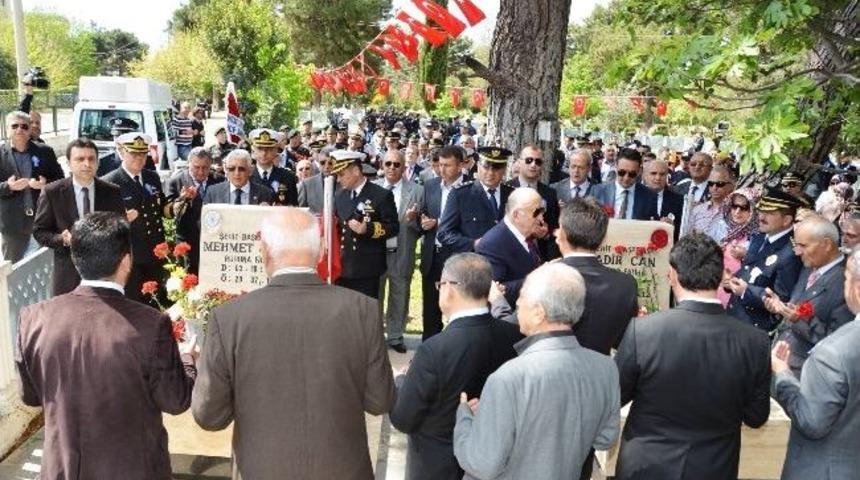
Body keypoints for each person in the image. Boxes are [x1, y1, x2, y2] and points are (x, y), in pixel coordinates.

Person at [192, 208, 394, 479]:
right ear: (321, 250)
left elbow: (209, 415)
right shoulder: (363, 310)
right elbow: (380, 400)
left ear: (264, 251)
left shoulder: (229, 318)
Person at [16, 212, 196, 479]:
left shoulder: (33, 318)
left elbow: (30, 396)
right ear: (126, 260)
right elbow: (176, 400)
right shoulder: (150, 324)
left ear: (75, 258)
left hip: (64, 470)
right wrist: (188, 360)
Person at [615, 233, 771, 480]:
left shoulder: (643, 331)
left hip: (647, 465)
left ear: (673, 275)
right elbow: (756, 416)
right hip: (713, 467)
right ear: (721, 277)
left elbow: (614, 397)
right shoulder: (755, 342)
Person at [454, 263, 620, 480]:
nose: (517, 303)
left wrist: (465, 419)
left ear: (539, 313)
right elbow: (605, 439)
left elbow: (482, 464)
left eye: (522, 297)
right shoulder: (605, 368)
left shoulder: (508, 377)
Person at [389, 253, 521, 480]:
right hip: (493, 461)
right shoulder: (512, 335)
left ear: (449, 288)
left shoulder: (434, 350)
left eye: (439, 285)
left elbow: (403, 418)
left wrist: (399, 381)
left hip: (438, 467)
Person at [770, 246, 860, 479]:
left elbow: (811, 422)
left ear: (857, 289)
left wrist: (783, 375)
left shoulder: (833, 353)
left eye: (846, 279)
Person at [33, 138, 125, 295]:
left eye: (91, 159)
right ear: (68, 163)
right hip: (68, 275)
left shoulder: (112, 192)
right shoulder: (52, 192)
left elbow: (121, 231)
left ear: (98, 163)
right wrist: (62, 239)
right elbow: (39, 231)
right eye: (80, 159)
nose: (87, 164)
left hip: (105, 275)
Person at [764, 215, 852, 377]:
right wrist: (780, 307)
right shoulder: (809, 267)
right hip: (780, 363)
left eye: (803, 246)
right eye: (796, 245)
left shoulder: (847, 281)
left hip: (806, 374)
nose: (797, 252)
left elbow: (837, 341)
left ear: (826, 244)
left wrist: (799, 319)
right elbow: (797, 304)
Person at [100, 133, 168, 304]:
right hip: (130, 257)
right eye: (134, 154)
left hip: (155, 252)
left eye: (143, 154)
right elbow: (101, 224)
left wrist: (176, 205)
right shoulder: (109, 183)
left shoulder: (152, 177)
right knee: (133, 304)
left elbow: (161, 208)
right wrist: (121, 220)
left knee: (156, 303)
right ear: (122, 153)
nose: (139, 158)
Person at [725, 189, 804, 332]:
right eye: (761, 211)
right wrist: (731, 281)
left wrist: (746, 291)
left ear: (786, 220)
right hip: (734, 317)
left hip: (754, 329)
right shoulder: (760, 237)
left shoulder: (791, 254)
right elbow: (750, 270)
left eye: (770, 213)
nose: (761, 217)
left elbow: (782, 301)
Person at [331, 149, 399, 298]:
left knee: (365, 310)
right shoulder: (340, 195)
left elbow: (393, 227)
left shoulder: (381, 195)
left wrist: (368, 228)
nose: (338, 179)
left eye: (341, 174)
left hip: (367, 268)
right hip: (343, 266)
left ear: (356, 171)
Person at [374, 150, 423, 353]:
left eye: (397, 164)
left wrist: (414, 221)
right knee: (375, 295)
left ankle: (395, 336)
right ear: (382, 165)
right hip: (376, 253)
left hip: (402, 251)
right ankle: (375, 336)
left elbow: (424, 226)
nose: (392, 168)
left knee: (400, 293)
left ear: (404, 167)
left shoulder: (417, 191)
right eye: (388, 164)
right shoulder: (373, 188)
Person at [0, 110, 64, 262]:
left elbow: (61, 181)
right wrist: (8, 186)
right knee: (14, 268)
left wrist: (45, 185)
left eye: (24, 126)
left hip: (42, 221)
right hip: (12, 225)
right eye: (14, 126)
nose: (19, 129)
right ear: (7, 129)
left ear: (30, 130)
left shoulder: (45, 152)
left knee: (45, 265)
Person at [419, 146, 466, 340]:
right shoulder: (431, 186)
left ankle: (456, 347)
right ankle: (429, 347)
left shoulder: (471, 188)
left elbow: (469, 223)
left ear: (460, 166)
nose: (442, 169)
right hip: (433, 255)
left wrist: (438, 223)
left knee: (459, 307)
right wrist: (419, 219)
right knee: (431, 309)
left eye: (448, 165)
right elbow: (423, 213)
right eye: (440, 164)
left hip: (458, 257)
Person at [438, 147, 515, 253]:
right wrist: (473, 244)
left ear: (504, 169)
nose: (490, 173)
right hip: (473, 259)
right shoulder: (461, 194)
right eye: (486, 167)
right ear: (478, 166)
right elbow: (444, 233)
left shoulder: (513, 194)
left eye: (496, 168)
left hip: (506, 258)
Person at [476, 188, 544, 304]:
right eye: (536, 213)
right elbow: (494, 292)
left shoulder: (526, 234)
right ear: (516, 215)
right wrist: (540, 277)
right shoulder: (492, 244)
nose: (541, 218)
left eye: (542, 211)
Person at [165, 147, 224, 273]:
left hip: (214, 243)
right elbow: (169, 213)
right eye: (196, 167)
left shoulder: (219, 180)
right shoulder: (176, 181)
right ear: (188, 164)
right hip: (188, 244)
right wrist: (182, 199)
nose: (201, 172)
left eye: (205, 168)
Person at [506, 145, 560, 260]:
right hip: (511, 254)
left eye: (538, 162)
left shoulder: (550, 193)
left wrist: (546, 234)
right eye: (529, 160)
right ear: (519, 162)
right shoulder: (506, 189)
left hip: (542, 256)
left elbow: (554, 226)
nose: (533, 165)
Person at [716, 188, 759, 306]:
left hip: (739, 295)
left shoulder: (758, 236)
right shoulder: (723, 228)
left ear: (753, 210)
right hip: (717, 289)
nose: (737, 211)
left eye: (744, 208)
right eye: (734, 206)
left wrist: (746, 255)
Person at [591, 148, 658, 220]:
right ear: (616, 167)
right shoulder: (598, 191)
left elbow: (652, 222)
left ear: (639, 171)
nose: (626, 178)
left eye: (632, 174)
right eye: (622, 172)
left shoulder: (649, 196)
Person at [203, 149, 274, 206]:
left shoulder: (265, 193)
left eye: (241, 169)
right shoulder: (213, 192)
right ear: (226, 170)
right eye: (232, 169)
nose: (236, 173)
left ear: (250, 170)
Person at [248, 128, 299, 206]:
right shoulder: (247, 176)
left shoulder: (287, 176)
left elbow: (294, 206)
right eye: (260, 148)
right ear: (253, 150)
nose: (264, 153)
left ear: (276, 151)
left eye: (268, 149)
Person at [687, 165, 736, 242]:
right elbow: (688, 238)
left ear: (730, 186)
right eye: (711, 183)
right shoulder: (697, 210)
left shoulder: (736, 212)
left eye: (720, 184)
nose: (714, 187)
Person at [642, 159, 684, 239]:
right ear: (645, 176)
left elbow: (683, 230)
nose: (658, 178)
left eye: (662, 174)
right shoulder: (635, 196)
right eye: (653, 173)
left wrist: (672, 227)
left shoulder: (679, 200)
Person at [674, 152, 713, 235]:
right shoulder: (677, 189)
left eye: (702, 165)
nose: (697, 167)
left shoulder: (715, 191)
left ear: (710, 169)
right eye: (693, 164)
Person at [298, 147, 338, 214]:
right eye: (323, 163)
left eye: (331, 163)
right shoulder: (306, 185)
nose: (327, 166)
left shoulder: (346, 184)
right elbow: (301, 212)